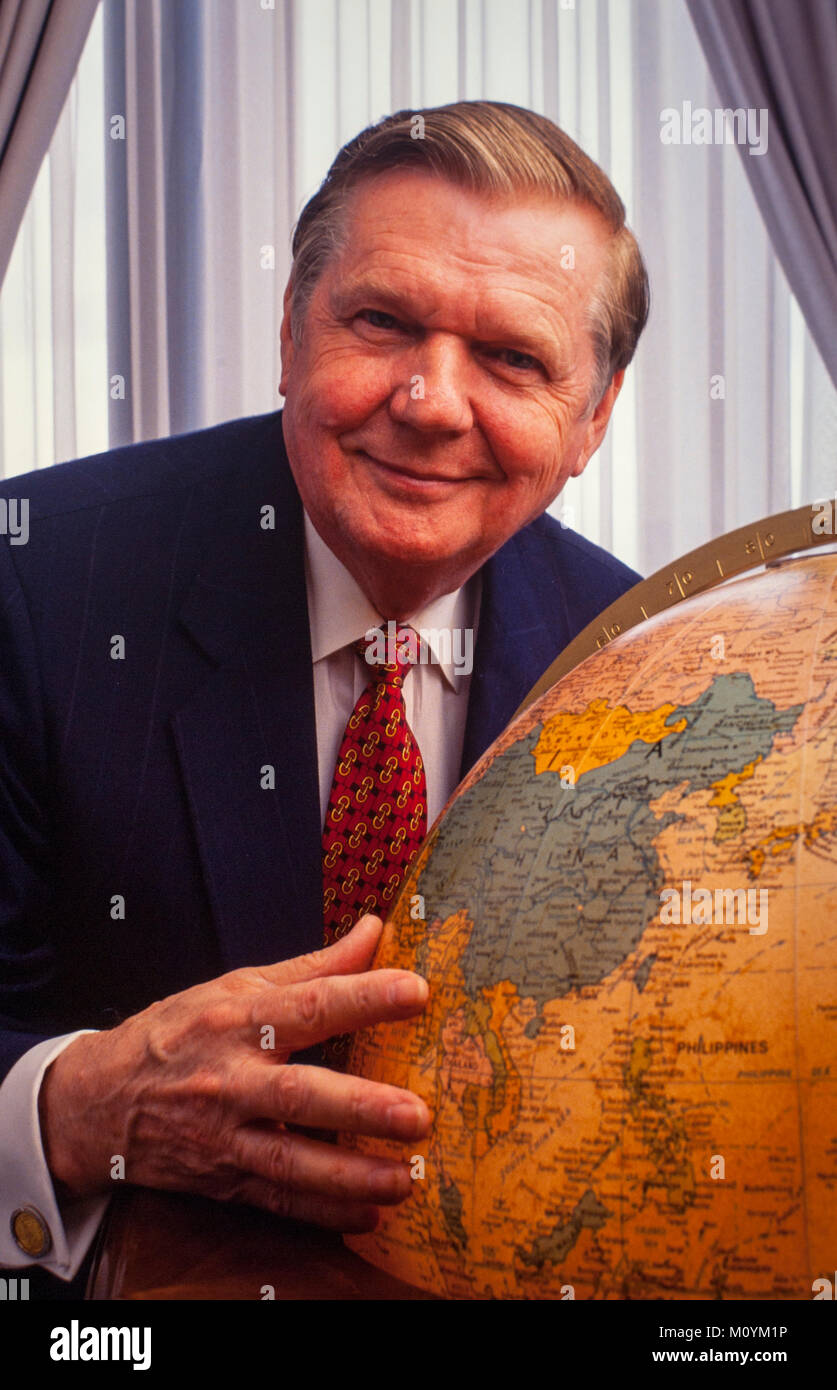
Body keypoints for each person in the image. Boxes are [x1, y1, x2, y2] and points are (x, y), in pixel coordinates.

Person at [0, 100, 649, 1296]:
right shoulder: (34, 585)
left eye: (513, 358)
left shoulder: (647, 671)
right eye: (382, 321)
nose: (432, 400)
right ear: (290, 335)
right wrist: (78, 1110)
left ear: (592, 421)